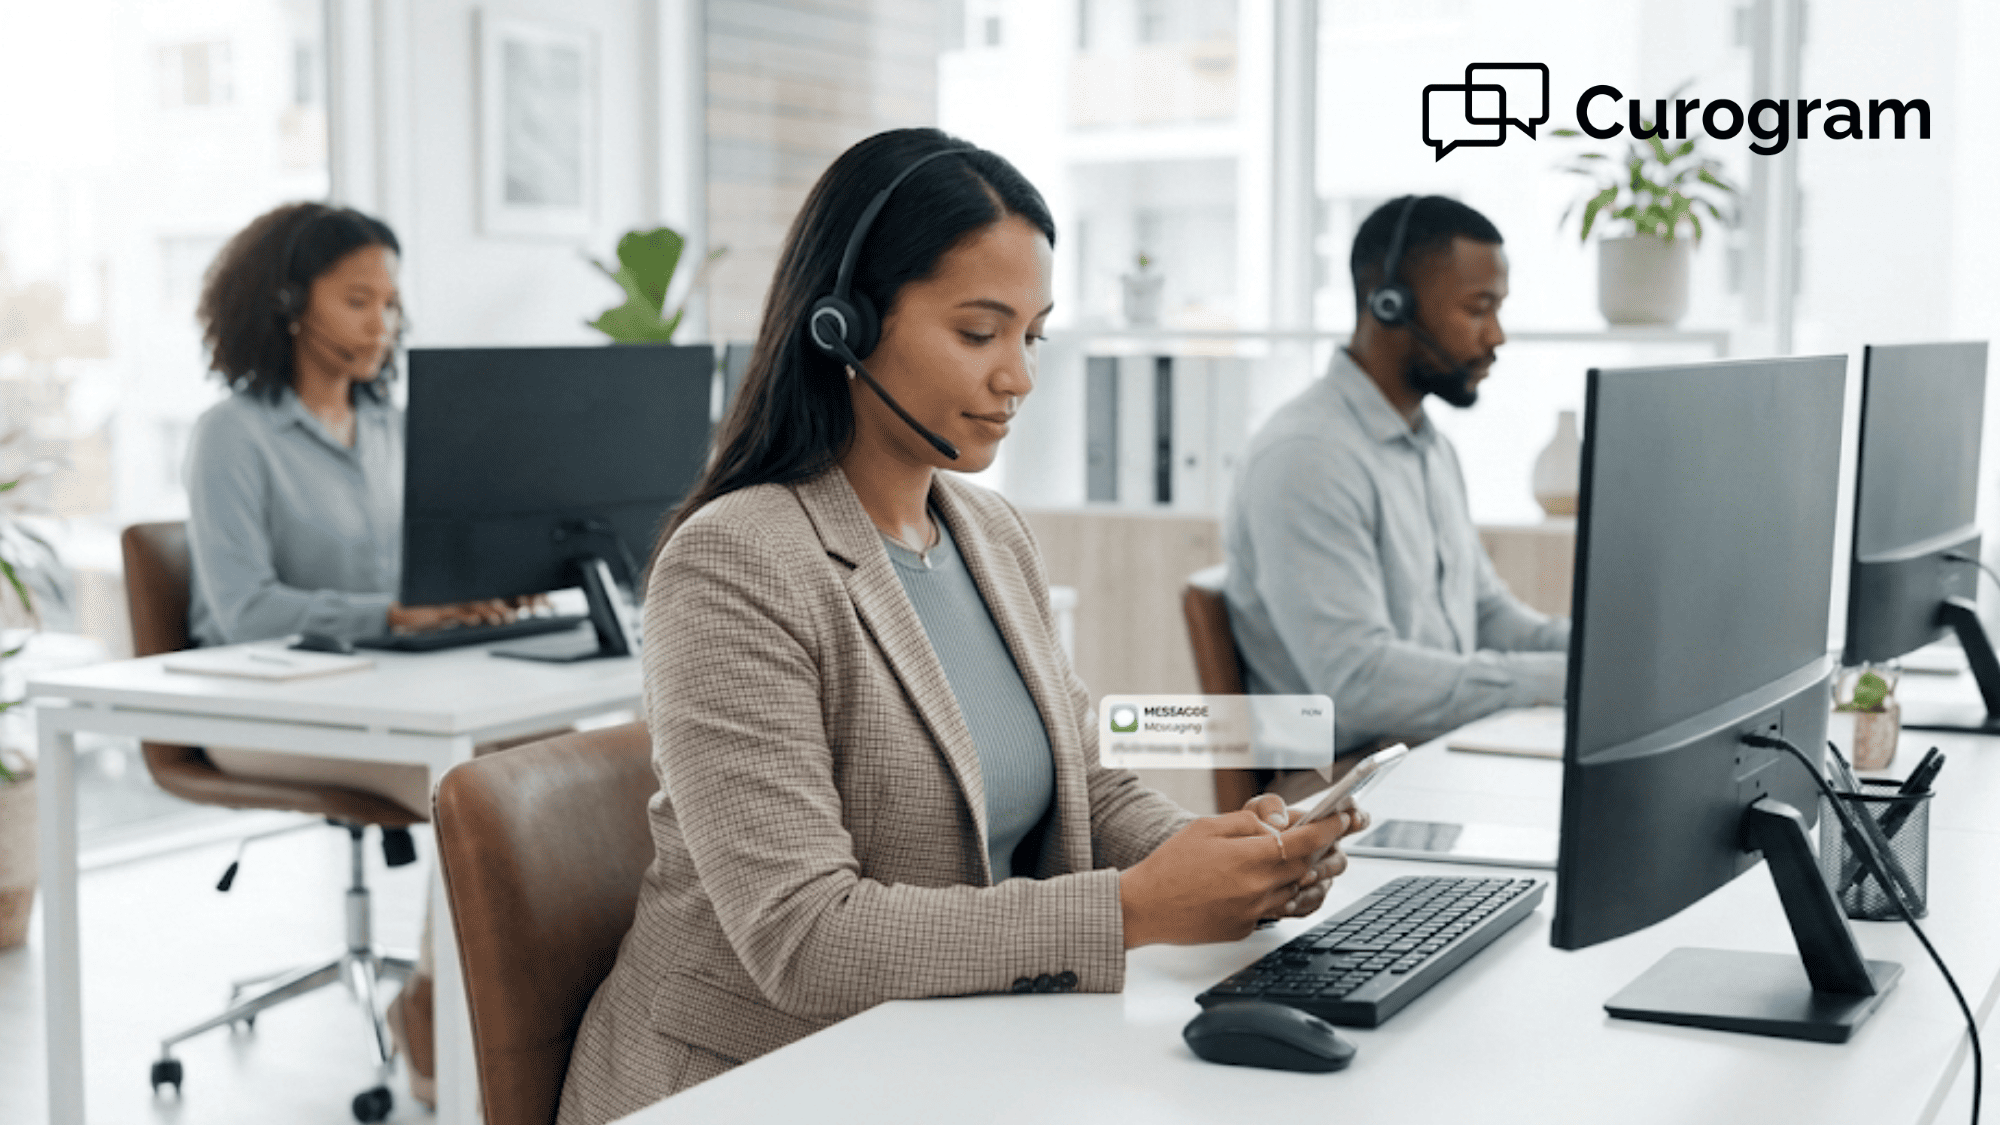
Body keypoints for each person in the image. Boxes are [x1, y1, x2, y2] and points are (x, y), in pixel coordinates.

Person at [555, 128, 1369, 1125]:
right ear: (842, 326)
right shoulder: (735, 563)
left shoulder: (988, 533)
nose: (1018, 376)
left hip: (945, 1055)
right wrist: (1136, 910)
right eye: (979, 334)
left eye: (1032, 335)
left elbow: (1081, 776)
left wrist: (1227, 860)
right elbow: (804, 938)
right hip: (754, 1080)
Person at [185, 201, 512, 1104]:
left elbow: (420, 576)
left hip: (389, 695)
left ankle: (470, 1005)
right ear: (292, 302)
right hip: (260, 710)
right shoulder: (233, 436)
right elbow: (245, 610)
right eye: (358, 300)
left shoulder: (394, 427)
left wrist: (472, 587)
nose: (382, 323)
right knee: (480, 795)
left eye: (391, 303)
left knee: (552, 757)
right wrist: (396, 613)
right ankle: (440, 1012)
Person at [1224, 194, 1569, 761]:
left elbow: (1487, 616)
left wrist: (1607, 656)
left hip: (1432, 754)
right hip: (1346, 782)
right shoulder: (1308, 456)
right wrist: (1557, 683)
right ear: (1389, 304)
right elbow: (1359, 682)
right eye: (1478, 308)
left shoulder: (1431, 450)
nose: (1496, 336)